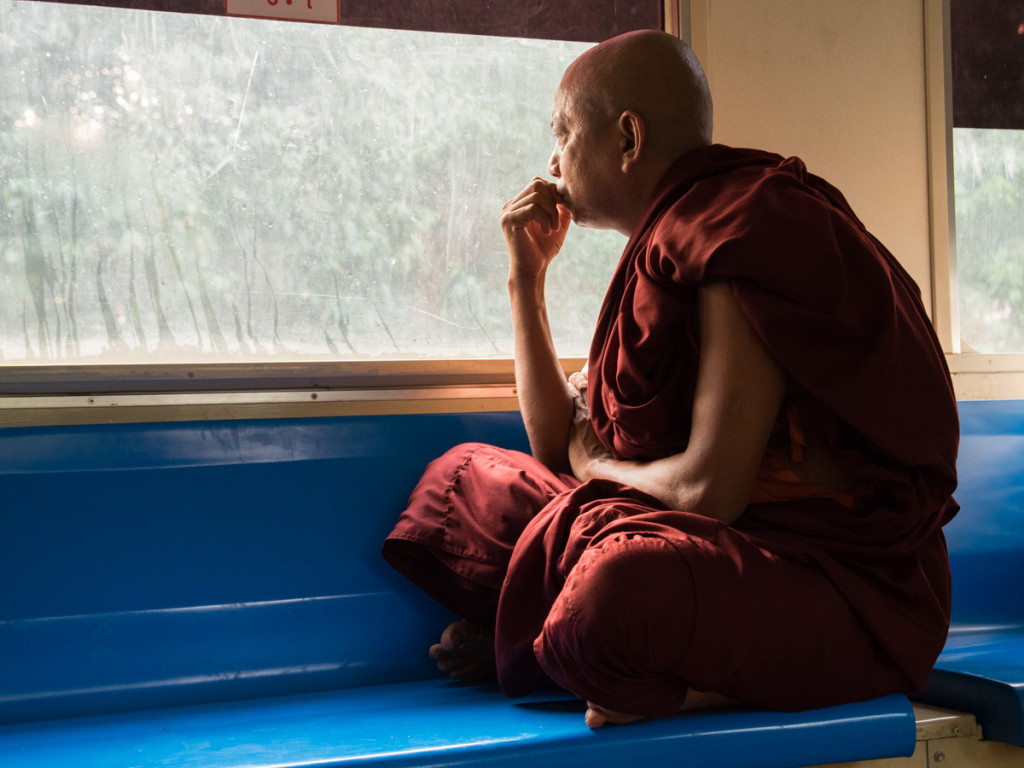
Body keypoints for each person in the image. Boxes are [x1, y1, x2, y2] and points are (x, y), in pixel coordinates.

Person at [382, 29, 959, 729]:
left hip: (827, 581)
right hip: (701, 545)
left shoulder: (740, 233)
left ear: (627, 137)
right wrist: (526, 279)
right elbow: (555, 444)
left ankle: (674, 684)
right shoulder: (668, 253)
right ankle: (563, 644)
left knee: (617, 594)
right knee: (466, 479)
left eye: (563, 131)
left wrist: (595, 464)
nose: (553, 157)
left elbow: (707, 492)